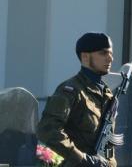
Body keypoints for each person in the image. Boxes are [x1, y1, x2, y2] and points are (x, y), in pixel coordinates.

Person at [37, 32, 116, 167]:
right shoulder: (70, 90)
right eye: (103, 53)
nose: (110, 59)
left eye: (111, 53)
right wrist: (83, 159)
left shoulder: (107, 94)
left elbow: (107, 140)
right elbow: (48, 130)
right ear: (85, 56)